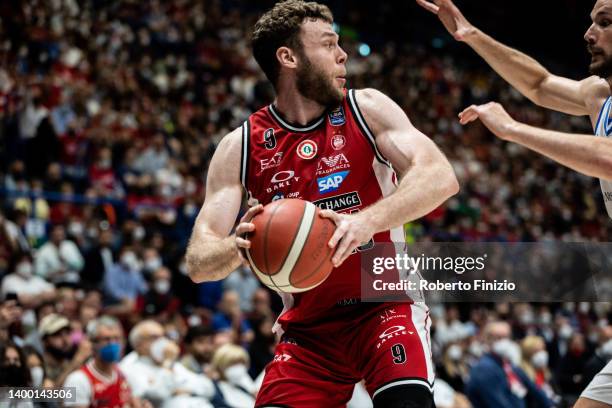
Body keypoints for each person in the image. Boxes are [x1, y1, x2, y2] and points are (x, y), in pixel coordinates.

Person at [185, 1, 459, 406]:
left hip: (384, 307)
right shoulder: (240, 146)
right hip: (308, 332)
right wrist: (236, 247)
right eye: (329, 44)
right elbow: (197, 261)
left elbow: (440, 176)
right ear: (288, 56)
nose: (343, 54)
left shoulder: (366, 108)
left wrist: (364, 222)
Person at [416, 0, 612, 405]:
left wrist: (513, 129)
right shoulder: (599, 94)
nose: (588, 33)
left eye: (605, 23)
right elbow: (538, 85)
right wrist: (471, 34)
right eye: (591, 21)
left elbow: (608, 158)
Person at [465, 321, 553, 408]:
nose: (505, 342)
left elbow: (535, 391)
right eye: (499, 338)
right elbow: (497, 403)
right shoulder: (484, 369)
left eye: (506, 337)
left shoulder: (509, 366)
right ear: (488, 340)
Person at [63, 316, 137, 408]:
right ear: (93, 344)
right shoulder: (77, 380)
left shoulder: (125, 373)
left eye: (117, 339)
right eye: (106, 339)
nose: (112, 344)